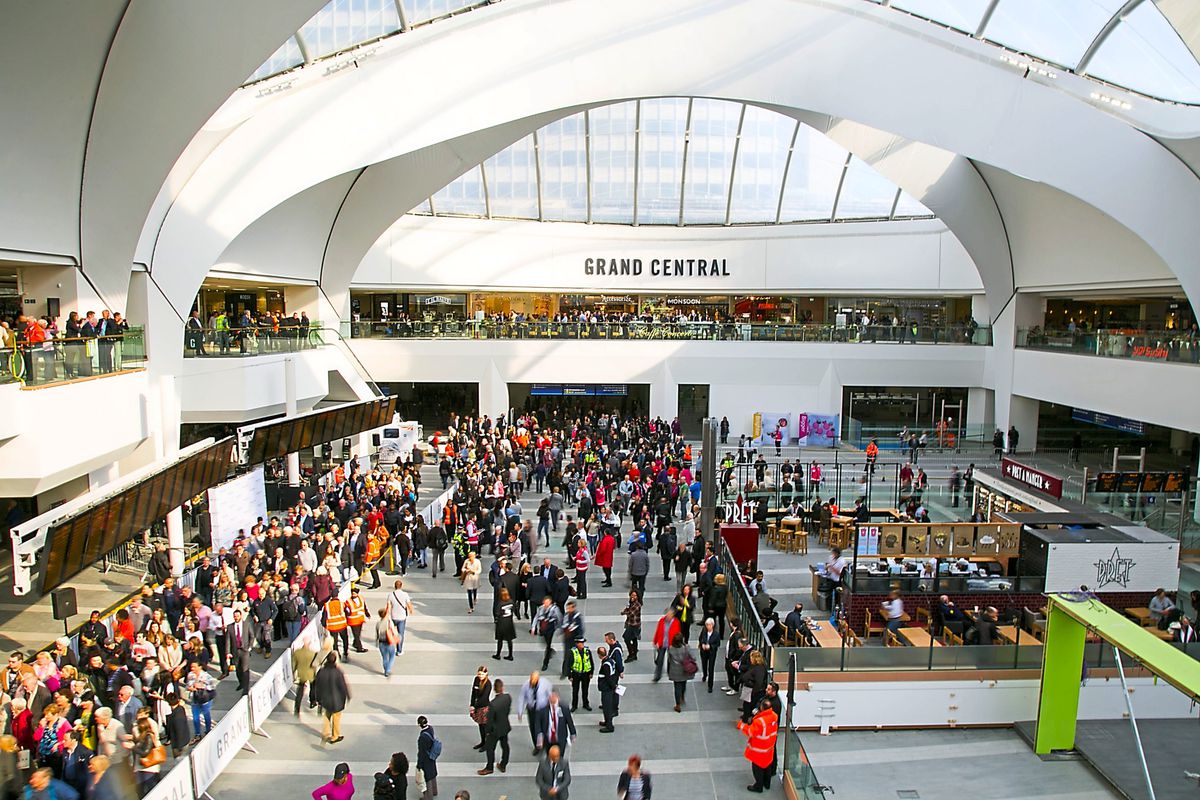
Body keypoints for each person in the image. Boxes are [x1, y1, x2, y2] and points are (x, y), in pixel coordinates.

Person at [738, 697, 780, 794]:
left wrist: (741, 725)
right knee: (767, 766)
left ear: (762, 708)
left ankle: (758, 786)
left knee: (757, 768)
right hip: (769, 746)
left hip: (759, 749)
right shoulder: (774, 716)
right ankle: (767, 783)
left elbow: (750, 732)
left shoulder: (759, 721)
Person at [314, 652, 350, 744]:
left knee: (327, 715)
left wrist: (318, 698)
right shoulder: (338, 672)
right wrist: (347, 696)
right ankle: (335, 736)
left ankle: (325, 733)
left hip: (325, 698)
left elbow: (317, 686)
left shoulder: (321, 671)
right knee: (336, 717)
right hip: (337, 699)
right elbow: (343, 686)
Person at [477, 678, 511, 776]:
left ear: (494, 689)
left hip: (494, 731)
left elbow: (489, 720)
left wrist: (487, 731)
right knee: (505, 746)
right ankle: (503, 765)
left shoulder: (492, 704)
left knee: (490, 748)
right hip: (504, 727)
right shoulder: (508, 698)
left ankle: (489, 768)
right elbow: (507, 711)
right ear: (502, 687)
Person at [518, 671, 552, 756]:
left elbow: (550, 695)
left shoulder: (545, 683)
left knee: (545, 727)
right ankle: (537, 746)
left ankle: (546, 746)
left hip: (543, 709)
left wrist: (552, 708)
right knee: (533, 728)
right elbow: (522, 697)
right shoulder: (526, 685)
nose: (532, 685)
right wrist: (520, 711)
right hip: (532, 710)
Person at [184, 660, 216, 742]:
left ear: (200, 667)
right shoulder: (190, 675)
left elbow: (213, 686)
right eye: (191, 667)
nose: (192, 668)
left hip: (205, 699)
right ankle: (197, 734)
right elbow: (187, 685)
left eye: (194, 667)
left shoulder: (206, 676)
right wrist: (190, 688)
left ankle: (208, 730)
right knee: (195, 717)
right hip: (194, 698)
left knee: (206, 715)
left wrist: (202, 686)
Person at [666, 633, 695, 712]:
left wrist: (668, 670)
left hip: (675, 670)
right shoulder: (686, 648)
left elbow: (669, 660)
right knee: (683, 683)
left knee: (677, 687)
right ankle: (682, 696)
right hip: (685, 670)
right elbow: (693, 657)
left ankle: (677, 704)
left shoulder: (671, 649)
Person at [651, 608, 680, 683]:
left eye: (670, 615)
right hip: (662, 643)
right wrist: (655, 641)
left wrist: (676, 644)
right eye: (667, 614)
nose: (668, 616)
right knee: (660, 659)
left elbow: (677, 634)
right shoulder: (661, 621)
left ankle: (670, 672)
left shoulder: (676, 622)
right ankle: (657, 676)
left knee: (671, 659)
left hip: (671, 644)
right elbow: (658, 631)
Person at [416, 716, 440, 800]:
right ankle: (434, 791)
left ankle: (428, 796)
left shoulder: (422, 737)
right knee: (432, 774)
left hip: (426, 759)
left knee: (427, 778)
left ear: (419, 724)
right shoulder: (430, 728)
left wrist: (419, 764)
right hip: (432, 755)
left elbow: (421, 752)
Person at [468, 666, 492, 752]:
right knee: (480, 725)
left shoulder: (488, 684)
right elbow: (473, 693)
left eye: (482, 674)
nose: (480, 676)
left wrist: (475, 707)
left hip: (484, 707)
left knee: (485, 727)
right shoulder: (476, 679)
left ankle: (487, 744)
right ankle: (482, 742)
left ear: (486, 674)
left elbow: (484, 698)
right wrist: (472, 704)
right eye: (479, 674)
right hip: (477, 706)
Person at [567, 639, 594, 712]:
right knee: (575, 691)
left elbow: (591, 662)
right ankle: (574, 705)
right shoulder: (572, 652)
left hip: (586, 674)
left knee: (585, 690)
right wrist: (570, 676)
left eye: (583, 643)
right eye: (580, 643)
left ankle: (586, 704)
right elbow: (568, 664)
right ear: (577, 644)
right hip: (576, 674)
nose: (582, 644)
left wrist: (591, 672)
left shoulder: (587, 651)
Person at [697, 617, 721, 693]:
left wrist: (710, 646)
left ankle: (710, 686)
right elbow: (700, 638)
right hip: (704, 651)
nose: (708, 626)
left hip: (711, 653)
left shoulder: (716, 634)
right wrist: (702, 644)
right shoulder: (704, 631)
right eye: (707, 625)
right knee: (704, 664)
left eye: (709, 625)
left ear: (712, 625)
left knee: (711, 668)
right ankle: (704, 674)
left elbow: (717, 644)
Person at [824, 547, 847, 622]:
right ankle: (829, 606)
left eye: (834, 553)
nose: (832, 555)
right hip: (830, 577)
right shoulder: (831, 557)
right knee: (829, 593)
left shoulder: (841, 561)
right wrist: (827, 567)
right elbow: (827, 563)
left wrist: (832, 567)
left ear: (837, 554)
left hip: (837, 580)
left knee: (837, 595)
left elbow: (840, 573)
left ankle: (836, 609)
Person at [493, 588, 517, 661]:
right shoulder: (511, 601)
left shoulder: (500, 603)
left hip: (501, 623)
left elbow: (497, 613)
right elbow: (514, 609)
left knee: (500, 640)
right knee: (509, 640)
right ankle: (510, 655)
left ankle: (498, 654)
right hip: (509, 622)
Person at [621, 591, 642, 662]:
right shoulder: (631, 603)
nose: (633, 597)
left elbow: (630, 613)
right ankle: (634, 653)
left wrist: (623, 612)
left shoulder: (637, 605)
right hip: (632, 624)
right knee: (634, 639)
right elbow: (628, 609)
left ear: (637, 597)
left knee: (626, 638)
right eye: (632, 595)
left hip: (634, 626)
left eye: (635, 595)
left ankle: (631, 654)